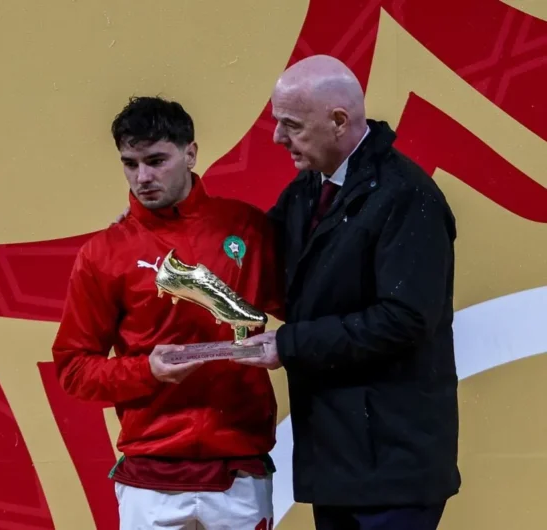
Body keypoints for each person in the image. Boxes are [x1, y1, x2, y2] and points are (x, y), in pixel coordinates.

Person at [237, 55, 461, 529]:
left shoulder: (407, 196)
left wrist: (290, 344)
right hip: (340, 461)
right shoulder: (308, 190)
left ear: (338, 121)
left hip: (394, 469)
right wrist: (157, 229)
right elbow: (253, 252)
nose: (277, 138)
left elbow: (404, 320)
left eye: (291, 125)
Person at [52, 95, 284, 530]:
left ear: (190, 153)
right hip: (150, 478)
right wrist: (147, 371)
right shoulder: (103, 254)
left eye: (156, 161)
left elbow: (311, 312)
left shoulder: (249, 229)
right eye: (130, 164)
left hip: (239, 469)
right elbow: (73, 369)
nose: (143, 178)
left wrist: (287, 345)